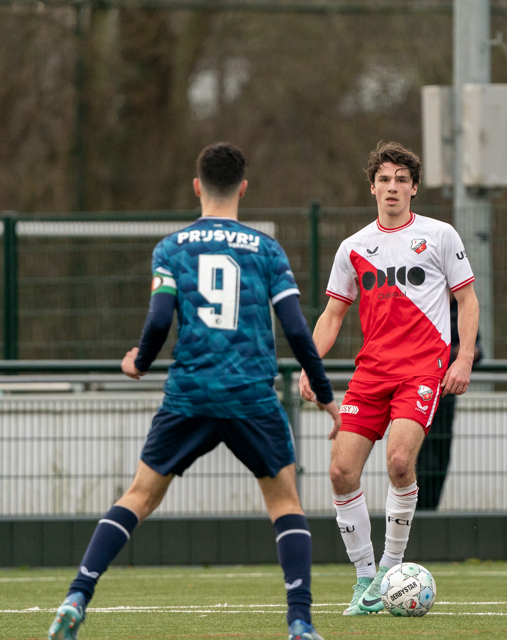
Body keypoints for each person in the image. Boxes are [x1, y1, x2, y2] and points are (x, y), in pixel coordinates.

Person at [48, 143, 339, 640]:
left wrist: (138, 361)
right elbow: (295, 329)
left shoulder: (172, 248)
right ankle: (300, 623)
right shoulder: (266, 250)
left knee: (138, 497)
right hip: (251, 393)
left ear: (197, 186)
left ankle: (77, 594)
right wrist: (328, 396)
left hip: (190, 393)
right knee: (285, 503)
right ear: (243, 187)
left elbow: (160, 318)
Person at [299, 141, 478, 615]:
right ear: (372, 187)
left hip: (422, 367)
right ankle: (362, 580)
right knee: (340, 471)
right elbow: (333, 314)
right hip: (372, 371)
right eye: (385, 179)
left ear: (414, 188)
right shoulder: (353, 247)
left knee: (400, 461)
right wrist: (309, 364)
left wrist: (464, 359)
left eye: (402, 179)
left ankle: (388, 570)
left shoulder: (440, 235)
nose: (393, 186)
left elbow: (468, 300)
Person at [414, 301, 483, 511]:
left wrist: (464, 355)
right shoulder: (421, 305)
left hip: (445, 394)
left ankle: (430, 510)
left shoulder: (463, 310)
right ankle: (419, 509)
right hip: (418, 393)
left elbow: (476, 349)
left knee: (441, 454)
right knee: (422, 457)